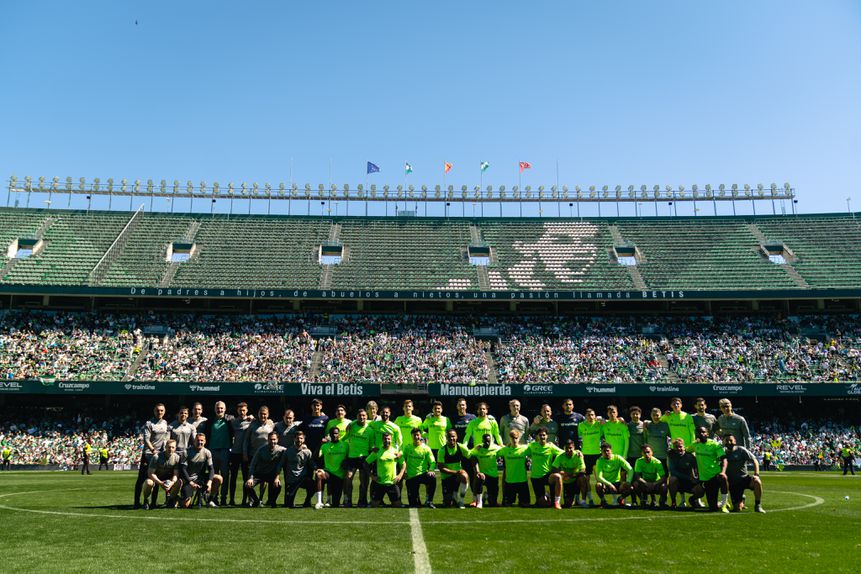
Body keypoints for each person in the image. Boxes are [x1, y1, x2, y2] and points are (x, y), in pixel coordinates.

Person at [134, 403, 171, 509]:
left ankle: (153, 503)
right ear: (154, 411)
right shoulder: (149, 423)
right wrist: (153, 450)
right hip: (148, 455)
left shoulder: (165, 423)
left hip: (159, 456)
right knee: (141, 479)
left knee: (156, 479)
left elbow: (166, 440)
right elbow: (146, 439)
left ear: (164, 411)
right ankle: (137, 502)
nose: (159, 412)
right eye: (157, 410)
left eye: (161, 410)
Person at [690, 425, 730, 512]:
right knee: (713, 508)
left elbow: (724, 459)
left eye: (704, 432)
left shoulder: (714, 444)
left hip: (715, 475)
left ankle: (724, 504)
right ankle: (693, 499)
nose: (701, 434)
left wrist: (723, 472)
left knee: (723, 478)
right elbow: (684, 451)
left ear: (707, 434)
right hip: (705, 479)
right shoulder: (694, 445)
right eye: (699, 432)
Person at [723, 434, 765, 513]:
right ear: (724, 442)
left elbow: (754, 460)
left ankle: (758, 505)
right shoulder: (722, 452)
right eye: (727, 440)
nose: (729, 442)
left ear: (735, 441)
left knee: (757, 482)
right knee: (737, 509)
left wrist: (756, 474)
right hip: (733, 483)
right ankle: (741, 499)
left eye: (731, 440)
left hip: (744, 479)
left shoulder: (741, 450)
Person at [204, 401, 234, 506]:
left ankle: (224, 499)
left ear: (225, 409)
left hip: (225, 451)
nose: (219, 410)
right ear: (214, 409)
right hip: (212, 452)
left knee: (225, 476)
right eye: (217, 408)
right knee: (213, 477)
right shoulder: (209, 421)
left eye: (221, 408)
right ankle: (214, 498)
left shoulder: (230, 420)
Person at [180, 433, 222, 508]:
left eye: (202, 440)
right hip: (189, 480)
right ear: (194, 441)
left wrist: (209, 482)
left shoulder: (207, 452)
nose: (200, 442)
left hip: (201, 478)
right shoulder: (186, 452)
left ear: (205, 441)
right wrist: (191, 483)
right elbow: (183, 469)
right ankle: (177, 499)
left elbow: (211, 468)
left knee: (218, 478)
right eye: (198, 440)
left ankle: (210, 500)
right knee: (185, 505)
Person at [245, 431, 285, 508]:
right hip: (259, 474)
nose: (272, 441)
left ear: (278, 439)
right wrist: (250, 478)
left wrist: (303, 447)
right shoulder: (261, 450)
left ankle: (272, 501)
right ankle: (256, 500)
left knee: (278, 485)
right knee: (247, 485)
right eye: (270, 439)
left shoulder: (282, 450)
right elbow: (253, 465)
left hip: (272, 475)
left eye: (274, 439)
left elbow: (291, 451)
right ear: (267, 439)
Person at [343, 408, 374, 507]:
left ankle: (362, 500)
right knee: (348, 478)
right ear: (357, 417)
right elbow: (344, 438)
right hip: (352, 457)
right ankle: (348, 500)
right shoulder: (352, 426)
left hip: (364, 458)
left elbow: (371, 445)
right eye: (360, 415)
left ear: (367, 417)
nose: (362, 417)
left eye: (364, 415)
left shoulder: (370, 430)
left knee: (364, 481)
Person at [527, 428, 564, 508]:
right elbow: (521, 450)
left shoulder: (551, 446)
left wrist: (577, 452)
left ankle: (557, 502)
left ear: (547, 436)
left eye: (544, 435)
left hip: (547, 475)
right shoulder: (532, 446)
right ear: (537, 436)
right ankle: (547, 496)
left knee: (557, 477)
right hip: (535, 477)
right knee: (542, 503)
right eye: (540, 435)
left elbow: (563, 453)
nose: (542, 437)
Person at [366, 431, 405, 508]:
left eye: (388, 439)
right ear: (382, 440)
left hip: (392, 483)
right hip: (380, 484)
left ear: (391, 440)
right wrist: (372, 476)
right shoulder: (377, 451)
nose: (387, 441)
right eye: (385, 439)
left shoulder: (396, 452)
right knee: (373, 505)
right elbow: (366, 463)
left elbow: (403, 464)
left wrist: (400, 475)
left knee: (397, 506)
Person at [142, 439, 182, 509]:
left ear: (175, 448)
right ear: (165, 447)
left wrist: (172, 483)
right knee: (149, 483)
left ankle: (171, 500)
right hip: (156, 478)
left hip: (168, 478)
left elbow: (176, 474)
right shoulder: (156, 457)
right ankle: (146, 500)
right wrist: (160, 483)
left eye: (173, 447)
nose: (170, 449)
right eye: (169, 447)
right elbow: (150, 474)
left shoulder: (177, 458)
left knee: (179, 482)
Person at [228, 402, 255, 506]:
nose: (242, 412)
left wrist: (253, 417)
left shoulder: (252, 421)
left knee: (245, 478)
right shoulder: (233, 421)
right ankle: (231, 499)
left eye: (244, 410)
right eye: (240, 410)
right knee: (233, 478)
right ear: (237, 411)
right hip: (234, 453)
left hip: (245, 454)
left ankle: (245, 500)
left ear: (247, 410)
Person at [315, 426, 348, 509]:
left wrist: (346, 462)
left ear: (339, 434)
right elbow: (316, 456)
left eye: (336, 433)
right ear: (329, 435)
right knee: (318, 475)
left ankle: (343, 499)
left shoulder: (345, 445)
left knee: (336, 504)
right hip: (328, 473)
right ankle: (319, 502)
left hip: (339, 475)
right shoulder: (325, 446)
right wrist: (320, 444)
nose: (334, 435)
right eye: (332, 433)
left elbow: (349, 457)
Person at [403, 428, 436, 508]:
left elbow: (432, 462)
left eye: (418, 435)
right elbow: (403, 461)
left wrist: (431, 470)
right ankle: (416, 499)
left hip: (422, 474)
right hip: (411, 477)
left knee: (432, 478)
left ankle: (429, 501)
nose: (416, 437)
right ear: (411, 436)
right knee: (414, 504)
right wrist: (404, 473)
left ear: (420, 436)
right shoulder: (407, 448)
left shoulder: (426, 448)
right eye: (414, 435)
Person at [437, 429, 470, 508]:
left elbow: (472, 457)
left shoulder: (461, 447)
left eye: (453, 436)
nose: (451, 438)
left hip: (458, 476)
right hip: (447, 477)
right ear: (446, 438)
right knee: (448, 504)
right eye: (449, 437)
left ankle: (461, 501)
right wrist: (455, 472)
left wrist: (477, 471)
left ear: (457, 437)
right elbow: (441, 468)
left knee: (464, 475)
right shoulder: (442, 450)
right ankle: (453, 495)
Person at [550, 440, 589, 508]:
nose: (569, 449)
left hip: (575, 480)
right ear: (564, 448)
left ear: (574, 448)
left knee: (583, 478)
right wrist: (560, 472)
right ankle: (573, 499)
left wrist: (569, 475)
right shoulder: (560, 456)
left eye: (570, 448)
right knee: (568, 504)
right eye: (567, 448)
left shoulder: (578, 456)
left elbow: (583, 470)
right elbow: (553, 468)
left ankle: (583, 501)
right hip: (566, 482)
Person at [497, 429, 530, 508]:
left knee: (525, 505)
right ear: (509, 438)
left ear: (519, 438)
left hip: (522, 481)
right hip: (510, 482)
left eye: (516, 438)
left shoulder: (525, 449)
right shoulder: (504, 450)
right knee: (507, 505)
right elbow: (492, 452)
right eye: (512, 438)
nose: (514, 440)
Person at [594, 443, 633, 508]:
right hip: (606, 485)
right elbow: (599, 477)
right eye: (604, 451)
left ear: (611, 451)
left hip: (618, 484)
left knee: (630, 487)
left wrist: (628, 481)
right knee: (598, 485)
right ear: (601, 452)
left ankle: (620, 499)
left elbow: (630, 469)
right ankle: (603, 501)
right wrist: (609, 484)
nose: (606, 453)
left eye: (608, 450)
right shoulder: (600, 461)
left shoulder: (618, 458)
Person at [283, 431, 315, 508]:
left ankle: (307, 501)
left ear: (303, 440)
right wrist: (277, 477)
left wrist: (317, 469)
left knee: (314, 485)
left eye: (301, 438)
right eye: (297, 438)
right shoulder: (288, 451)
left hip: (302, 479)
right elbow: (281, 464)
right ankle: (290, 499)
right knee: (288, 504)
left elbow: (312, 464)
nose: (299, 440)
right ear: (294, 439)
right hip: (292, 480)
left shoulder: (307, 452)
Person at [469, 433, 502, 508]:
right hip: (482, 474)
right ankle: (479, 501)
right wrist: (477, 471)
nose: (487, 443)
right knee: (478, 479)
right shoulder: (479, 448)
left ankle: (486, 496)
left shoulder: (496, 448)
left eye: (488, 441)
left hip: (493, 475)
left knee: (492, 503)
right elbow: (471, 455)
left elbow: (504, 451)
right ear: (482, 440)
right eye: (485, 441)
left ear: (491, 441)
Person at [667, 438, 699, 510]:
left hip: (691, 482)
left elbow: (696, 469)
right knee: (672, 479)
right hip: (680, 481)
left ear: (684, 447)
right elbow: (672, 471)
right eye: (676, 447)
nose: (679, 449)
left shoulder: (690, 457)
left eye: (680, 446)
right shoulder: (671, 456)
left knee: (701, 489)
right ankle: (673, 502)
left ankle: (693, 500)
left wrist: (696, 478)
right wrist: (688, 477)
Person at [632, 445, 667, 509]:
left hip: (656, 483)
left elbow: (663, 477)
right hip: (645, 483)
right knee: (635, 484)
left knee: (664, 486)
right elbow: (637, 476)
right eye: (644, 452)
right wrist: (646, 483)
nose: (646, 454)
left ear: (652, 452)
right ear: (642, 453)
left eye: (648, 452)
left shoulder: (657, 462)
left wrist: (654, 484)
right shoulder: (639, 461)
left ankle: (662, 501)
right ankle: (643, 499)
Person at [579, 408, 603, 479]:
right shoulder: (581, 425)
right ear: (585, 416)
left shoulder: (599, 424)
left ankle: (601, 489)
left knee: (599, 475)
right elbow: (579, 438)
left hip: (598, 452)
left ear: (595, 416)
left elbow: (608, 422)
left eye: (592, 415)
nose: (591, 417)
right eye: (589, 415)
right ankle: (589, 490)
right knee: (587, 476)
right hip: (586, 453)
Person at [644, 407, 670, 472]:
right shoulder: (647, 425)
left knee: (664, 475)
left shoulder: (666, 425)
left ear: (660, 415)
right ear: (651, 415)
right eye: (653, 415)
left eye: (657, 415)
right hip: (651, 456)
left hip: (663, 456)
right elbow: (645, 439)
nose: (655, 417)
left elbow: (672, 437)